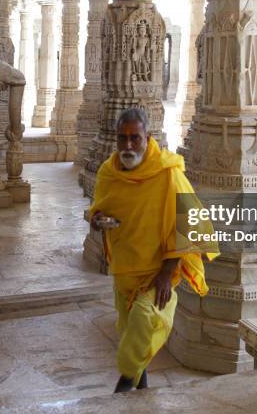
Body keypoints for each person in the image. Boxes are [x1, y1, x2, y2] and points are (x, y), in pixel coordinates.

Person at [88, 107, 219, 393]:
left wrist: (167, 271)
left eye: (135, 138)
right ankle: (141, 386)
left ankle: (126, 379)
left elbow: (190, 217)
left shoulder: (166, 172)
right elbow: (98, 210)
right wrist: (97, 221)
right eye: (122, 139)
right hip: (125, 267)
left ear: (148, 137)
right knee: (130, 330)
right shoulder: (109, 173)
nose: (128, 146)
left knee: (144, 320)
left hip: (158, 270)